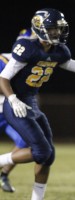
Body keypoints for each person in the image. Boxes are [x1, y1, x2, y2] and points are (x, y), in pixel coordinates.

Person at [0, 8, 75, 200]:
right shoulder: (27, 47)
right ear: (40, 28)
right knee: (41, 151)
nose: (58, 33)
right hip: (16, 103)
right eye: (53, 29)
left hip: (32, 103)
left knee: (49, 156)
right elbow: (3, 78)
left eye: (60, 29)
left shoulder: (59, 52)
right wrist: (12, 99)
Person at [0, 28, 36, 193]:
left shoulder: (33, 65)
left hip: (10, 112)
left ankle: (4, 173)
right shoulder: (4, 59)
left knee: (25, 141)